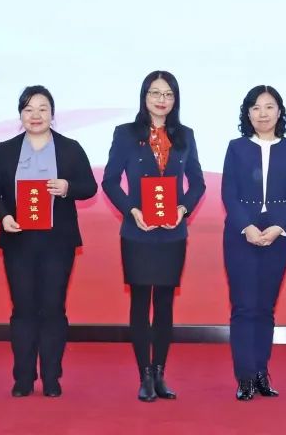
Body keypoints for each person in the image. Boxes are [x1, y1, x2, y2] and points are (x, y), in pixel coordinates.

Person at [0, 85, 97, 398]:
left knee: (53, 308)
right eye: (29, 109)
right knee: (23, 309)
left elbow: (89, 186)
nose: (35, 115)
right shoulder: (7, 149)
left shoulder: (70, 148)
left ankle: (51, 376)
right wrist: (4, 216)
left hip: (57, 243)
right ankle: (22, 377)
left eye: (42, 109)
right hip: (18, 241)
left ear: (52, 114)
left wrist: (67, 187)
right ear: (20, 115)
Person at [102, 71, 205, 402]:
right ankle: (144, 375)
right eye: (155, 93)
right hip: (137, 232)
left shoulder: (185, 135)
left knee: (163, 304)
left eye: (168, 94)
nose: (162, 100)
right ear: (144, 96)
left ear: (175, 99)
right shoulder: (126, 134)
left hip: (173, 234)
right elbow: (110, 180)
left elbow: (198, 183)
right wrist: (131, 210)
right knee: (139, 302)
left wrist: (183, 209)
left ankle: (160, 372)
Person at [221, 85, 286, 401]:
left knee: (265, 308)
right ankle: (244, 377)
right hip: (240, 235)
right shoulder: (236, 147)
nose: (263, 113)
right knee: (244, 307)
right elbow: (229, 193)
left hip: (277, 236)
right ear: (248, 113)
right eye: (255, 107)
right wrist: (247, 227)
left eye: (269, 107)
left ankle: (260, 372)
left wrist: (278, 227)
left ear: (279, 112)